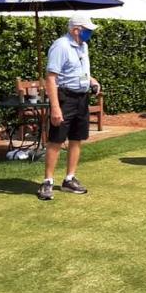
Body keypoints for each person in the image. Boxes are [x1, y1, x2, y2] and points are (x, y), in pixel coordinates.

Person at [38, 13, 101, 201]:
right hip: (65, 98)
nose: (89, 33)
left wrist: (92, 80)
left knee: (77, 138)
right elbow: (51, 78)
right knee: (56, 140)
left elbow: (80, 71)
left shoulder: (83, 46)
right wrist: (55, 107)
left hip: (81, 98)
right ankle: (48, 181)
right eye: (87, 30)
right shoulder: (61, 46)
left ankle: (69, 179)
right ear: (76, 30)